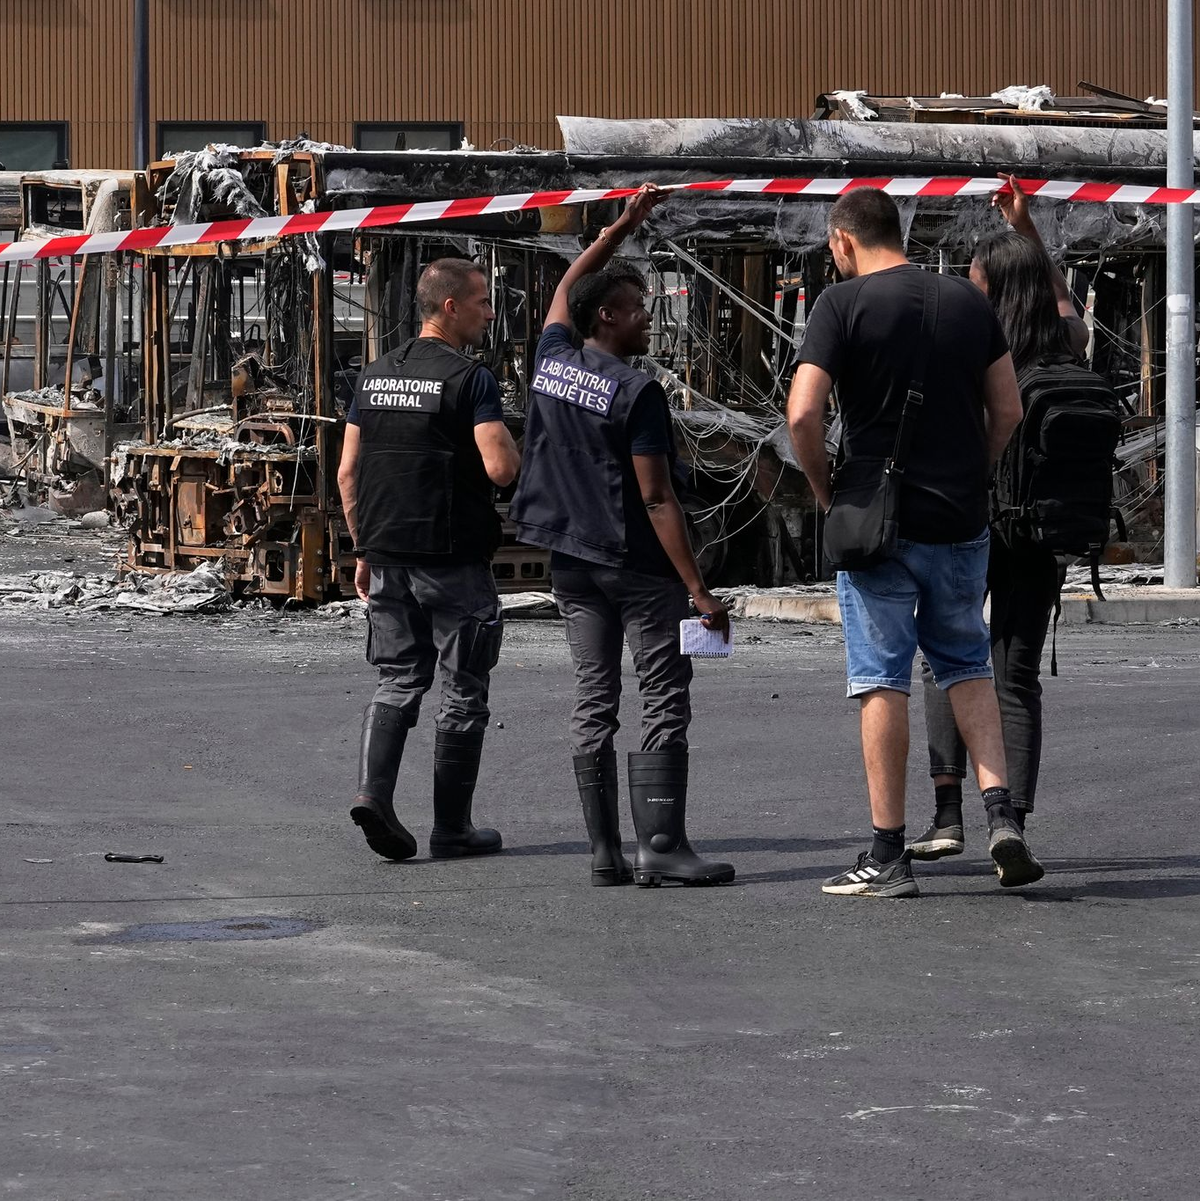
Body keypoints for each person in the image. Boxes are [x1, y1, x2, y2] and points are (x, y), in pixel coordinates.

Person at [788, 186, 1038, 899]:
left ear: (842, 241)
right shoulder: (968, 301)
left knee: (882, 676)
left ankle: (887, 853)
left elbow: (803, 412)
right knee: (966, 660)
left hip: (878, 523)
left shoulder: (840, 305)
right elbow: (1009, 407)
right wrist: (975, 469)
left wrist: (824, 488)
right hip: (961, 519)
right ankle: (1000, 815)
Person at [509, 183, 735, 888]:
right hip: (637, 564)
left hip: (571, 562)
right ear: (608, 317)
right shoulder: (637, 392)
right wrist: (698, 590)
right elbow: (658, 496)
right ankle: (661, 842)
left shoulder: (550, 360)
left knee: (594, 693)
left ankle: (606, 848)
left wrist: (620, 228)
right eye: (639, 309)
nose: (650, 321)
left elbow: (566, 288)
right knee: (665, 691)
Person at [912, 176, 1089, 862]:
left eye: (976, 280)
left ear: (987, 288)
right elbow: (1065, 301)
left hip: (971, 519)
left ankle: (949, 812)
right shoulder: (1062, 339)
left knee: (947, 661)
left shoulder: (969, 343)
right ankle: (1009, 819)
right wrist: (1030, 232)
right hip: (1042, 528)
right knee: (1015, 673)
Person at [337, 257, 521, 862]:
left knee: (396, 679)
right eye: (482, 302)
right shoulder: (471, 379)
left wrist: (363, 547)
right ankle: (452, 829)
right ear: (450, 307)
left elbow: (348, 472)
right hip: (453, 560)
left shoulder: (373, 375)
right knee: (464, 690)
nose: (490, 313)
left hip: (386, 554)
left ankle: (374, 792)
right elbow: (501, 469)